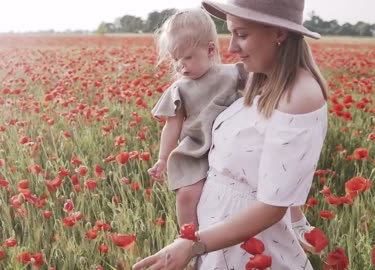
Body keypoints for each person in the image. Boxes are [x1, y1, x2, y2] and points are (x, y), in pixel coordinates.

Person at [134, 0, 328, 269]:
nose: (231, 47)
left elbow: (273, 206)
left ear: (279, 33)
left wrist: (193, 245)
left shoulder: (299, 97)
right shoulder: (261, 80)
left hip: (250, 247)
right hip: (218, 241)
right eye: (231, 33)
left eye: (242, 35)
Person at [147, 8, 247, 230]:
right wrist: (163, 158)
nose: (180, 65)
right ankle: (189, 240)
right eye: (175, 59)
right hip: (196, 150)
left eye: (188, 57)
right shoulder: (179, 89)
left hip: (232, 146)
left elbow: (262, 92)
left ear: (210, 49)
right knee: (187, 195)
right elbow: (172, 126)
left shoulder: (231, 75)